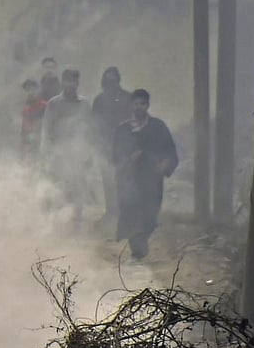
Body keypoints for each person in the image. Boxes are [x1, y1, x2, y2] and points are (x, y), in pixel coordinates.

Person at [112, 88, 178, 259]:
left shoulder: (158, 127)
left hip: (152, 181)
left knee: (150, 216)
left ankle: (141, 243)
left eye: (142, 103)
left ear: (148, 105)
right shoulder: (123, 129)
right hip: (130, 181)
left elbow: (170, 150)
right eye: (136, 104)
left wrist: (165, 163)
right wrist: (128, 158)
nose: (139, 107)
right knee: (132, 214)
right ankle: (138, 249)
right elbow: (114, 156)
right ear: (131, 105)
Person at [41, 69, 92, 221]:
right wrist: (48, 154)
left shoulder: (84, 104)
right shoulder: (54, 103)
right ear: (63, 82)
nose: (71, 84)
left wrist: (88, 154)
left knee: (78, 188)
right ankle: (54, 222)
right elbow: (47, 130)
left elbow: (89, 130)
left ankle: (77, 220)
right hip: (59, 152)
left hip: (78, 152)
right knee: (58, 188)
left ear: (78, 83)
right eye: (68, 81)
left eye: (74, 81)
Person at [91, 66, 131, 223]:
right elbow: (94, 124)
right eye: (107, 79)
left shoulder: (128, 97)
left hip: (124, 145)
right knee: (108, 180)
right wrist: (97, 143)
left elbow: (133, 122)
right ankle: (110, 212)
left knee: (125, 180)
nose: (110, 82)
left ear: (118, 80)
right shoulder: (99, 100)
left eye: (113, 79)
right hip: (106, 145)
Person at [20, 78, 48, 162]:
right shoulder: (26, 109)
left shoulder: (45, 106)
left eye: (32, 89)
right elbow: (24, 130)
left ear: (37, 90)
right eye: (28, 90)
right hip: (29, 143)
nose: (30, 92)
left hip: (43, 142)